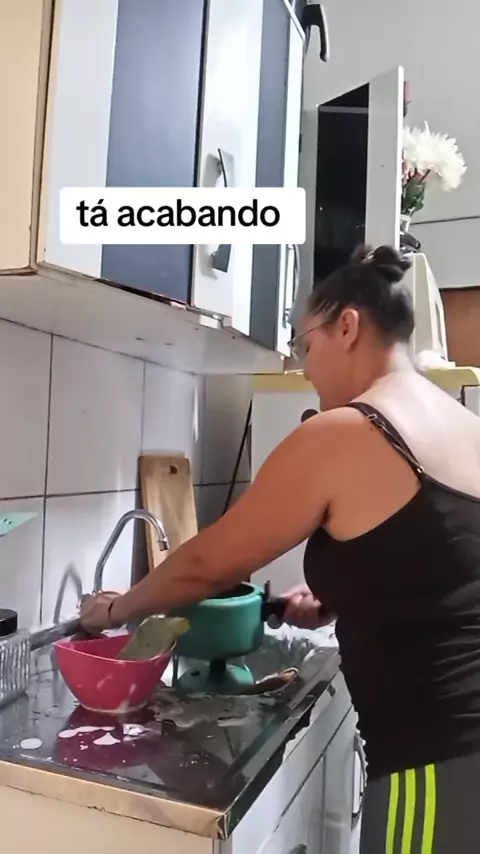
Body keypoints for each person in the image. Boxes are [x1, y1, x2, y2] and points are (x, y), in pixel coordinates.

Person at [81, 245, 480, 854]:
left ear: (348, 327)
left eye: (305, 345)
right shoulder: (463, 424)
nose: (304, 369)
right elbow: (445, 565)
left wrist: (113, 610)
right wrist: (345, 598)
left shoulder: (351, 429)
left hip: (437, 761)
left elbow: (206, 563)